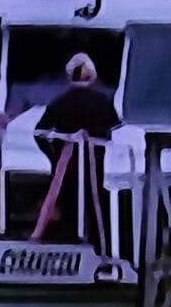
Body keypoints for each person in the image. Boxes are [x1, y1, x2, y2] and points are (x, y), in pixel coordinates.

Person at [33, 53, 119, 244]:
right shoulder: (103, 102)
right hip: (94, 165)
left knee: (69, 207)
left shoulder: (60, 102)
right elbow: (115, 126)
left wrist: (53, 154)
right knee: (94, 206)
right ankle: (96, 246)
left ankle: (69, 244)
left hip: (66, 168)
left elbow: (39, 131)